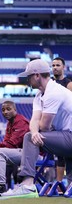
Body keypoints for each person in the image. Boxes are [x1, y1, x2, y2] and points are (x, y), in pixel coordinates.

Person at [1, 59, 72, 198]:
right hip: (66, 134)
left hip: (69, 135)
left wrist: (34, 132)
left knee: (29, 138)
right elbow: (34, 121)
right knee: (31, 135)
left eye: (29, 76)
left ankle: (27, 185)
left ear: (37, 75)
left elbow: (44, 125)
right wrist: (34, 131)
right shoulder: (40, 94)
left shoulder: (54, 92)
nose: (27, 79)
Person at [51, 57, 72, 192]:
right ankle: (59, 185)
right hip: (54, 122)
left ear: (63, 67)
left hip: (67, 123)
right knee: (59, 155)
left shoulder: (68, 83)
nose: (55, 67)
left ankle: (69, 183)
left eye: (58, 65)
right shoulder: (50, 84)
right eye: (53, 65)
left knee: (68, 154)